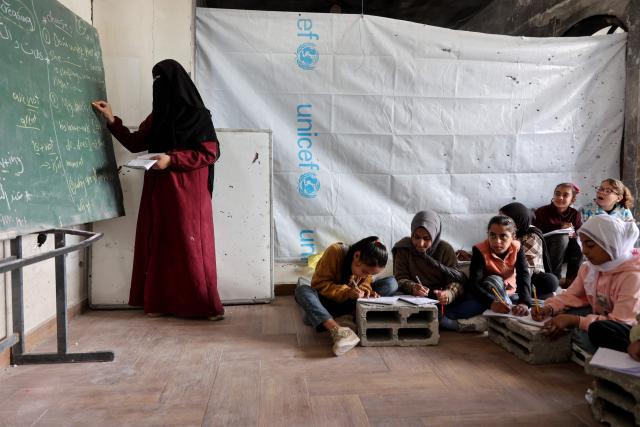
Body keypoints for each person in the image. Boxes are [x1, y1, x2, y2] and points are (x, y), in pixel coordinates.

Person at [91, 59, 224, 319]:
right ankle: (163, 303)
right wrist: (111, 120)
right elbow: (135, 142)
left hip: (188, 191)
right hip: (159, 189)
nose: (157, 87)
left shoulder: (197, 114)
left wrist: (172, 159)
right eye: (154, 81)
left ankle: (205, 305)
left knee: (190, 245)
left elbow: (210, 152)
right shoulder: (158, 116)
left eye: (161, 81)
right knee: (161, 244)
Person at [532, 215, 640, 355]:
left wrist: (575, 321)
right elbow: (572, 295)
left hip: (627, 328)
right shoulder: (590, 268)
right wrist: (548, 308)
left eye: (590, 245)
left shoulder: (633, 276)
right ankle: (580, 340)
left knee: (597, 330)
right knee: (562, 314)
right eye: (582, 244)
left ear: (611, 243)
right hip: (601, 316)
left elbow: (622, 322)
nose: (584, 251)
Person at [295, 236, 398, 356]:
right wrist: (347, 292)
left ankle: (330, 319)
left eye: (372, 274)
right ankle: (338, 330)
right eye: (365, 271)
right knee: (302, 290)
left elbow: (367, 282)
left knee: (391, 283)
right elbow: (319, 284)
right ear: (356, 256)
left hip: (351, 303)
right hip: (328, 301)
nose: (366, 276)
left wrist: (366, 291)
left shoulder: (366, 270)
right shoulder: (335, 252)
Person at [441, 215, 531, 331]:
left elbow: (523, 275)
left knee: (530, 302)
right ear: (488, 234)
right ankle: (492, 319)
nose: (497, 241)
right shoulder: (480, 250)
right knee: (445, 320)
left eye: (503, 236)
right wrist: (491, 303)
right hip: (484, 294)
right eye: (492, 235)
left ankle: (496, 315)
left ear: (513, 237)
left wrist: (524, 302)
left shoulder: (517, 249)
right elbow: (474, 284)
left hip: (508, 293)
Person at [392, 210, 466, 310]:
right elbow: (399, 278)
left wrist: (448, 294)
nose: (420, 244)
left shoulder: (445, 249)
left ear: (435, 236)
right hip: (412, 299)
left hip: (440, 300)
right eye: (416, 237)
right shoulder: (404, 248)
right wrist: (413, 287)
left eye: (426, 238)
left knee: (447, 321)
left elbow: (456, 281)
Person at [500, 202, 558, 298]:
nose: (499, 222)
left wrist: (508, 278)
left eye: (504, 220)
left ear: (517, 221)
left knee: (550, 281)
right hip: (505, 272)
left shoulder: (532, 236)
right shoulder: (502, 233)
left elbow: (526, 268)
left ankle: (519, 294)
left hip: (526, 276)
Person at [534, 183, 583, 285]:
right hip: (547, 249)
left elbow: (579, 233)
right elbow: (536, 234)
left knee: (577, 246)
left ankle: (571, 281)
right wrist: (559, 228)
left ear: (572, 199)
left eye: (565, 195)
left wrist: (573, 234)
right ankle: (554, 278)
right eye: (557, 194)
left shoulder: (575, 214)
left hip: (568, 250)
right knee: (561, 238)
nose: (560, 197)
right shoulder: (542, 211)